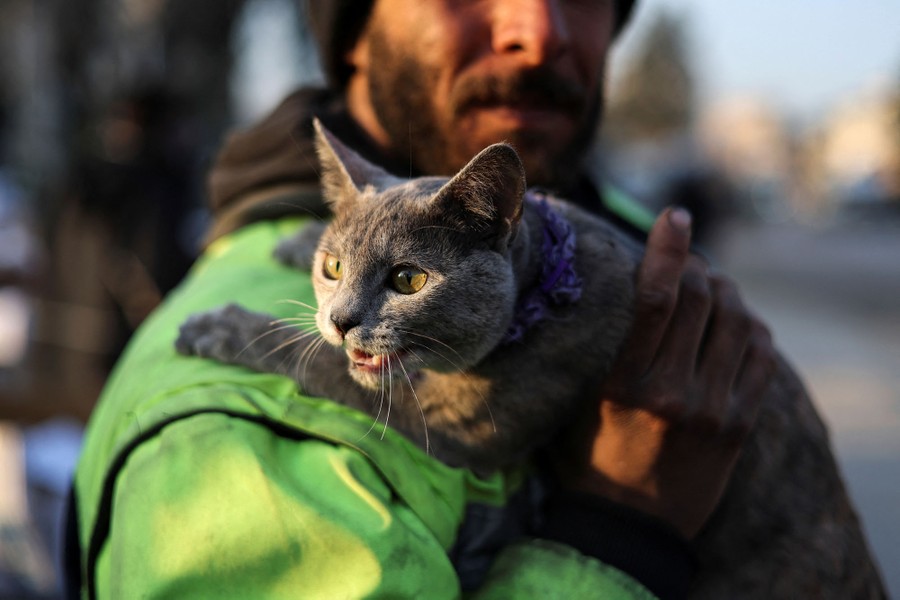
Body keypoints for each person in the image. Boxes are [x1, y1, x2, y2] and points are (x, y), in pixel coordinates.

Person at [66, 1, 777, 598]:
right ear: (352, 36)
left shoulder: (599, 224)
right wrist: (619, 531)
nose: (538, 28)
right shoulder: (223, 439)